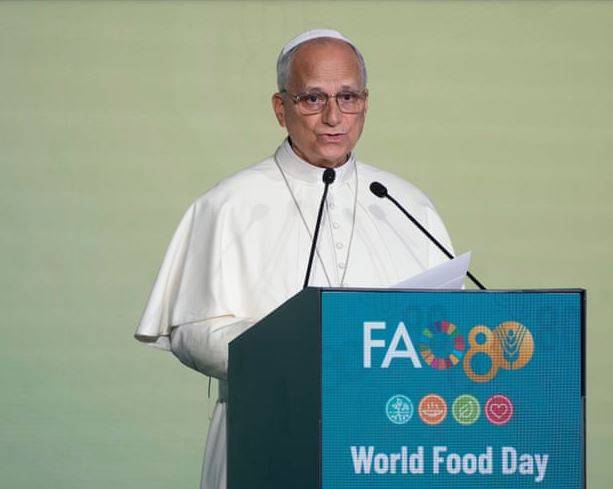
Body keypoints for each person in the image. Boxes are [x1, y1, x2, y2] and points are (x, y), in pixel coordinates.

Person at [135, 29, 454, 489]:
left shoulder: (407, 204)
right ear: (280, 108)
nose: (333, 116)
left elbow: (447, 330)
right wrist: (305, 349)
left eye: (348, 97)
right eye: (313, 98)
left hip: (389, 441)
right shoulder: (229, 204)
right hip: (267, 434)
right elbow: (191, 332)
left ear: (365, 103)